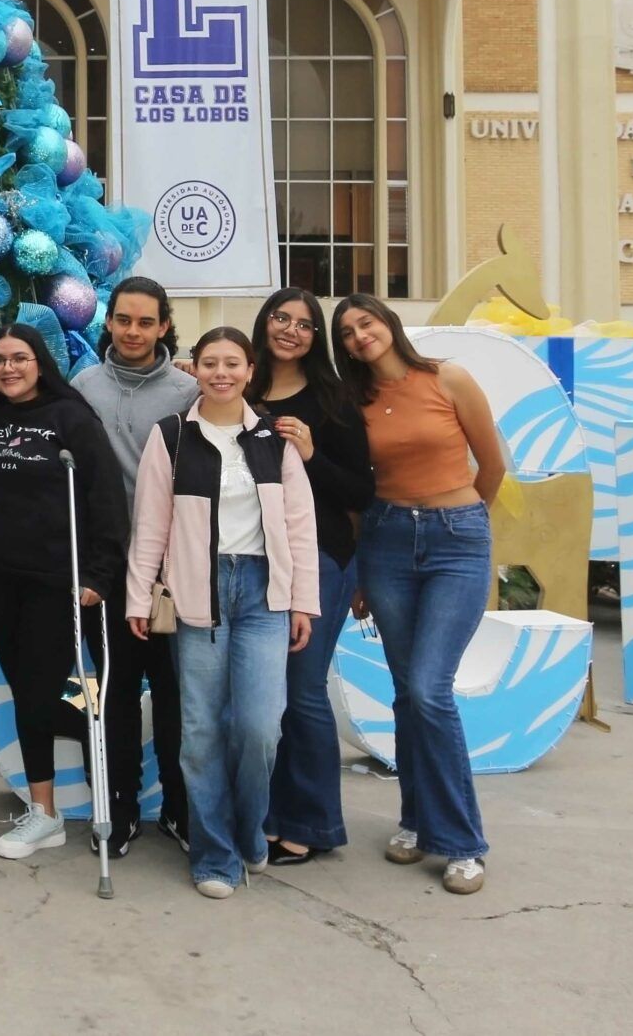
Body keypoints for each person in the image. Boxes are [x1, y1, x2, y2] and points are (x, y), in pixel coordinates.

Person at [125, 326, 318, 899]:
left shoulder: (274, 441)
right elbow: (151, 525)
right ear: (195, 368)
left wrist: (303, 599)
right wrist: (140, 597)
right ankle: (214, 853)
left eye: (232, 363)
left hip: (262, 595)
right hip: (196, 595)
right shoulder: (172, 437)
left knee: (260, 728)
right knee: (201, 732)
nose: (221, 373)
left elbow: (299, 527)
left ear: (250, 370)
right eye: (210, 362)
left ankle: (247, 830)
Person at [334, 293, 506, 897]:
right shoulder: (355, 403)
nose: (359, 336)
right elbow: (358, 491)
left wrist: (463, 520)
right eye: (348, 332)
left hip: (456, 540)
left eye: (366, 322)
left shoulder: (448, 379)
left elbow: (493, 462)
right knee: (408, 691)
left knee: (431, 689)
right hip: (384, 544)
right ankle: (414, 818)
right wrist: (357, 570)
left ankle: (461, 843)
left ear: (388, 323)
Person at [0, 324, 127, 861]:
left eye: (20, 358)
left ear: (40, 363)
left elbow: (105, 499)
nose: (8, 368)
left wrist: (99, 575)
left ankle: (46, 813)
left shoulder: (71, 419)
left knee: (37, 692)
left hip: (58, 580)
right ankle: (81, 745)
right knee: (26, 692)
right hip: (3, 576)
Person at [68, 276, 198, 853]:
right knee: (114, 694)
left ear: (164, 326)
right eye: (124, 320)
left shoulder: (187, 393)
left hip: (173, 573)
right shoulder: (85, 386)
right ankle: (117, 810)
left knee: (174, 694)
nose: (134, 332)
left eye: (146, 322)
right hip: (110, 570)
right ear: (110, 322)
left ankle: (177, 807)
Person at [248, 288, 374, 867]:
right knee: (262, 698)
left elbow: (359, 491)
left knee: (302, 693)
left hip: (319, 557)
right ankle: (268, 815)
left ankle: (314, 822)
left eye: (303, 324)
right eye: (281, 318)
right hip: (252, 559)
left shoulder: (333, 398)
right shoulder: (241, 388)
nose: (290, 331)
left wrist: (311, 451)